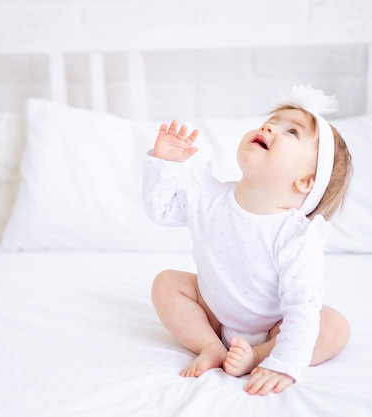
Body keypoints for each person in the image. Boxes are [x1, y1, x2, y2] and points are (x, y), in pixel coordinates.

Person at [143, 85, 353, 396]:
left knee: (333, 327)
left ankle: (258, 355)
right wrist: (167, 165)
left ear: (306, 181)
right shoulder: (208, 195)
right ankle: (209, 345)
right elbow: (161, 210)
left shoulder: (295, 236)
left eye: (292, 132)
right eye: (272, 122)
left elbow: (300, 307)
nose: (269, 127)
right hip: (214, 311)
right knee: (166, 283)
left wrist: (283, 361)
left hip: (273, 326)